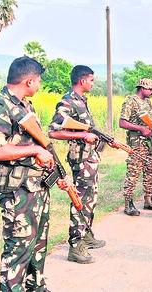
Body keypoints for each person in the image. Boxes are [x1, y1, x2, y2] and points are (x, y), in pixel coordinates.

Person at [0, 56, 73, 291]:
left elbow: (40, 147)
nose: (40, 84)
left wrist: (57, 171)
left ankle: (36, 287)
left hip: (36, 187)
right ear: (29, 81)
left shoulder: (24, 107)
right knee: (18, 248)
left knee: (37, 245)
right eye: (39, 80)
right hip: (17, 191)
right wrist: (34, 150)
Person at [48, 65, 108, 264]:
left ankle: (86, 235)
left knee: (91, 199)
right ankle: (75, 246)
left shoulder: (81, 101)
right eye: (91, 80)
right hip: (81, 160)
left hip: (90, 158)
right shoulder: (68, 102)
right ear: (83, 81)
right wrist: (83, 134)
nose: (93, 83)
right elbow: (53, 131)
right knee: (80, 201)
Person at [119, 78, 152, 216]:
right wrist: (140, 128)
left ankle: (148, 200)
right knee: (133, 173)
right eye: (150, 89)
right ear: (142, 88)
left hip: (150, 143)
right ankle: (128, 204)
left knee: (150, 172)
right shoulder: (130, 101)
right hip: (137, 144)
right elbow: (122, 123)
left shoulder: (148, 103)